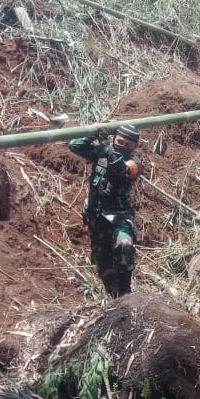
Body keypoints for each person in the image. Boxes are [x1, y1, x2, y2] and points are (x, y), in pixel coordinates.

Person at [69, 124, 143, 297]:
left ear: (134, 147)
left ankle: (126, 292)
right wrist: (91, 136)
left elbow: (120, 171)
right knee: (103, 263)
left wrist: (106, 145)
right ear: (115, 138)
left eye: (128, 145)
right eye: (120, 141)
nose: (123, 146)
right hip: (97, 215)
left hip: (119, 215)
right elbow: (74, 145)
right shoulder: (101, 153)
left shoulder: (135, 163)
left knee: (124, 245)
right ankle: (114, 299)